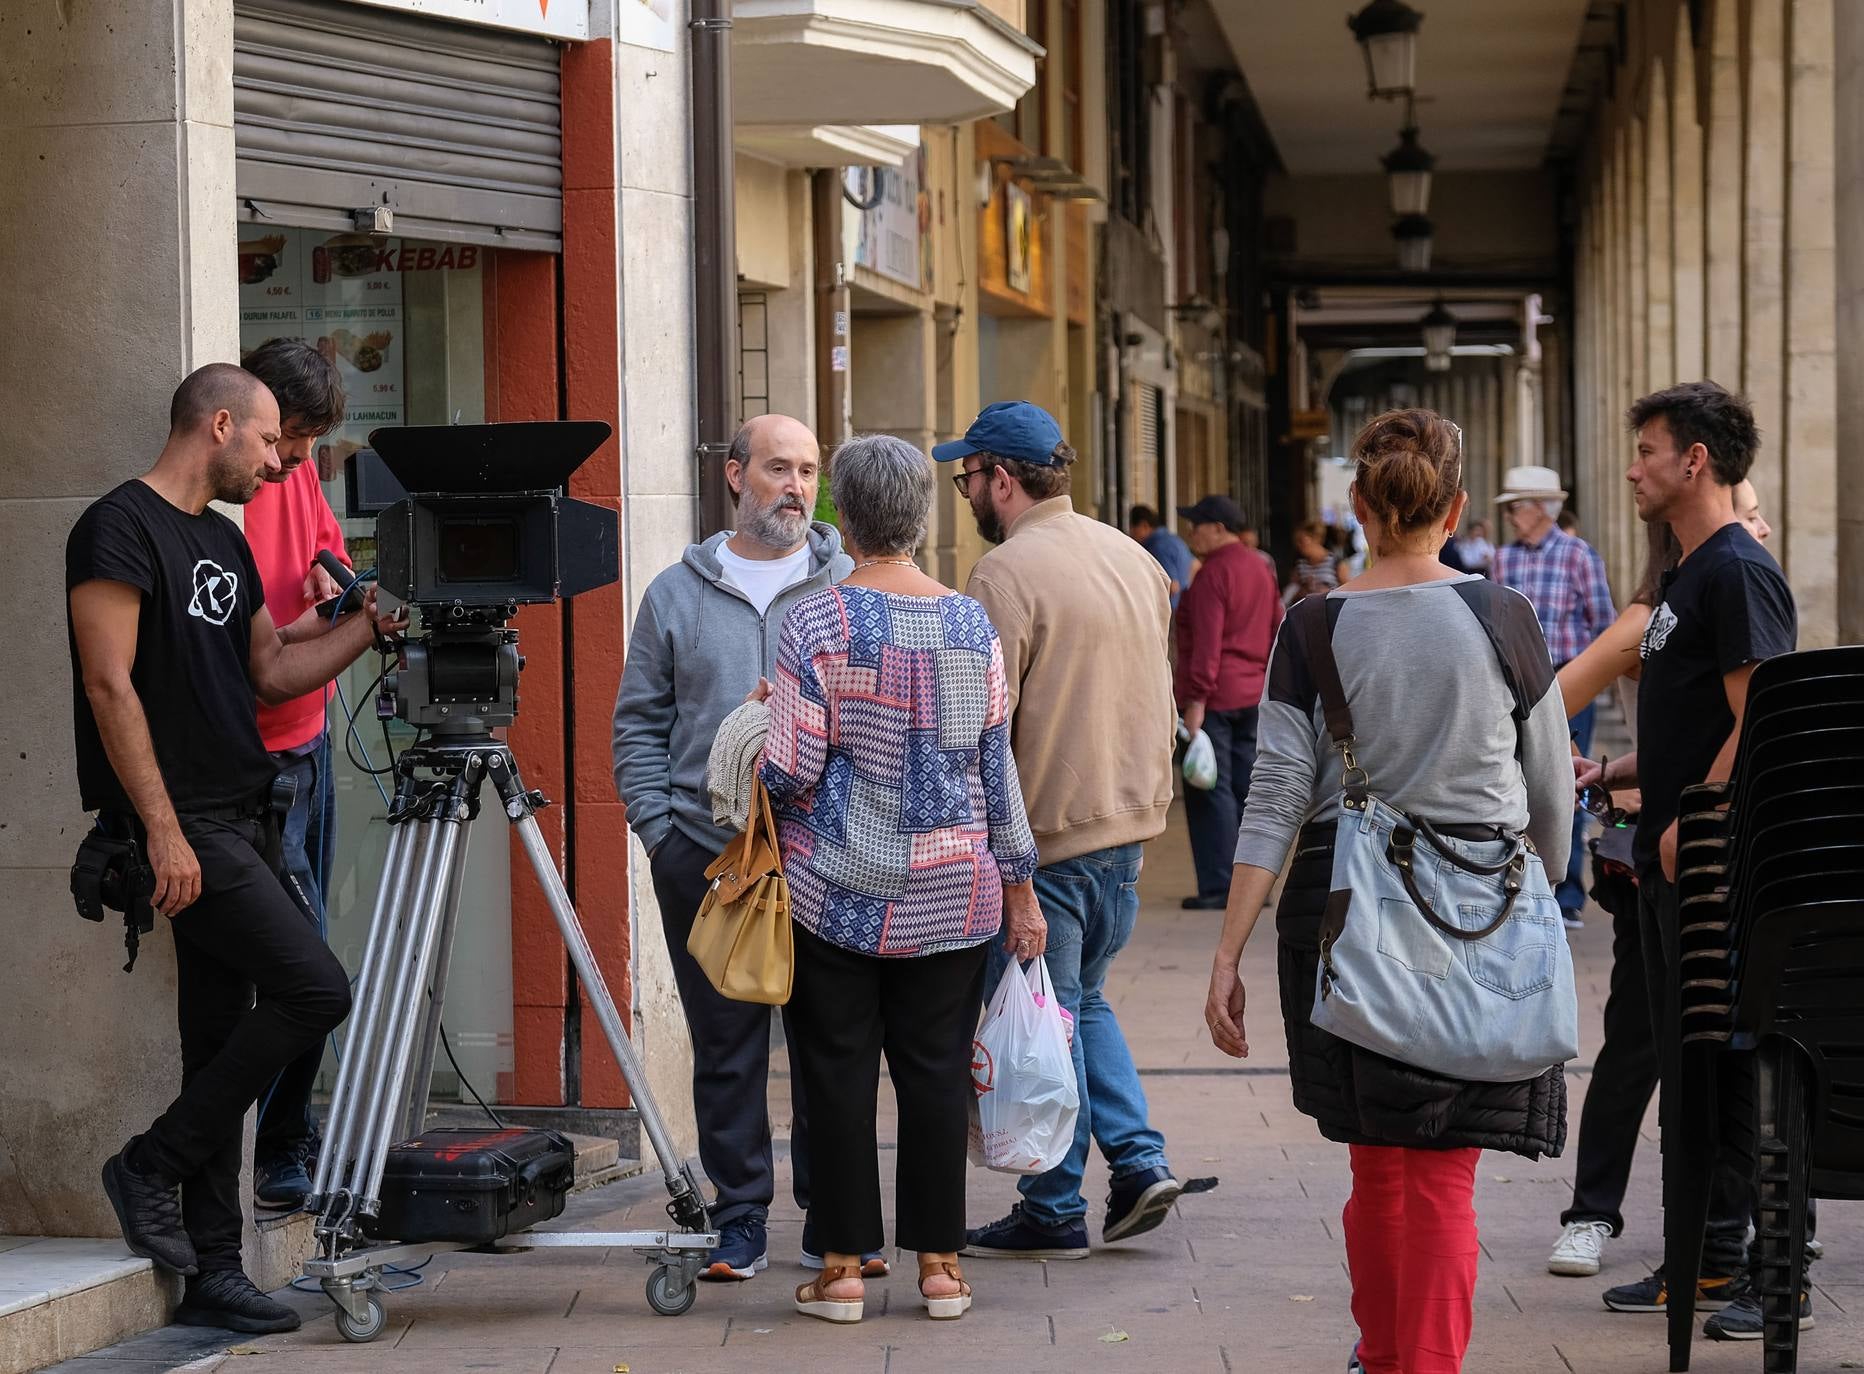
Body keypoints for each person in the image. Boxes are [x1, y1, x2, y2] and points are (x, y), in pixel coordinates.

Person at [1204, 408, 1573, 1374]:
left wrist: (1227, 950)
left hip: (1340, 913)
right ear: (1455, 507)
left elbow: (1276, 795)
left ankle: (1382, 1354)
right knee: (1446, 1179)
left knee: (1377, 1164)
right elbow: (1548, 790)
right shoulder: (1504, 617)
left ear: (1359, 506)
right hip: (1477, 910)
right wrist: (1542, 889)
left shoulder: (1314, 625)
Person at [70, 364, 397, 1332]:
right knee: (316, 987)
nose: (276, 462)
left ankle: (213, 1269)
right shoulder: (116, 528)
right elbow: (109, 687)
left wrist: (367, 627)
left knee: (215, 1042)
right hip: (184, 829)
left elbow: (269, 667)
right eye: (265, 443)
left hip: (244, 813)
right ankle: (149, 1165)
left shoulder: (223, 538)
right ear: (219, 425)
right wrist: (163, 831)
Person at [757, 435, 1045, 1324]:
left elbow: (791, 770)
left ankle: (843, 1268)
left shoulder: (816, 622)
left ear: (843, 513)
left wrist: (762, 724)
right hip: (952, 892)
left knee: (834, 1075)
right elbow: (997, 768)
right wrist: (1019, 885)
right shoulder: (968, 623)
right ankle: (942, 1270)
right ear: (922, 517)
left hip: (833, 890)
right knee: (931, 1075)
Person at [936, 400, 1187, 1259]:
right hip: (1128, 829)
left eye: (967, 476)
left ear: (1001, 479)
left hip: (1047, 834)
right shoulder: (1133, 556)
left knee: (1048, 1016)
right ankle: (1140, 1161)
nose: (964, 490)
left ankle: (1052, 1207)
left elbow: (978, 727)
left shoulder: (1005, 575)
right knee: (1080, 1005)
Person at [613, 413, 858, 1283]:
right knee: (727, 1045)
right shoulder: (676, 593)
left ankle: (836, 1219)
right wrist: (659, 833)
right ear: (734, 475)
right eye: (778, 469)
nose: (796, 487)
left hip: (826, 859)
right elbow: (638, 720)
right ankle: (741, 1217)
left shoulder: (847, 584)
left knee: (831, 1044)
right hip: (707, 858)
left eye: (809, 471)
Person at [1578, 382, 1800, 1338]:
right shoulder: (1688, 573)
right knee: (1689, 1061)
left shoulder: (1737, 573)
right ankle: (1705, 1259)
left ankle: (1757, 1269)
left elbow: (1761, 721)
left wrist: (1690, 816)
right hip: (1673, 852)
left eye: (1647, 450)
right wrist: (1625, 770)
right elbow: (1702, 713)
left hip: (1708, 859)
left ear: (1694, 461)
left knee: (1727, 1062)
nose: (1634, 467)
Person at [237, 339, 352, 1212]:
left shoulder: (299, 475)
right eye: (297, 438)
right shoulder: (237, 490)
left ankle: (288, 1132)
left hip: (313, 743)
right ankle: (281, 1144)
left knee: (313, 952)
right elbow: (266, 655)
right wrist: (334, 621)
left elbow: (328, 562)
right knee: (308, 964)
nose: (301, 458)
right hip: (259, 757)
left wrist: (332, 583)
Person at [1544, 520, 1672, 1280]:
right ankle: (1592, 1212)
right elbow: (1550, 698)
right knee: (1636, 1040)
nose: (1759, 525)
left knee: (1744, 1051)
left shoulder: (1746, 587)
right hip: (1658, 861)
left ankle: (1758, 1220)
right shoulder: (1657, 613)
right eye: (1745, 509)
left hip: (1737, 856)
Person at [1491, 463, 1616, 929]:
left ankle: (1566, 896)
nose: (1509, 516)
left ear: (1543, 509)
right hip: (1515, 685)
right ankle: (1524, 886)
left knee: (1567, 785)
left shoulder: (1579, 556)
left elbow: (1605, 625)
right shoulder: (1503, 561)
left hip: (1569, 684)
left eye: (1516, 507)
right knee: (1514, 782)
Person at [1173, 494, 1283, 910]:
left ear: (1218, 528)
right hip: (1253, 694)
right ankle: (1254, 886)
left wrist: (1196, 698)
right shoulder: (1261, 566)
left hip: (1216, 697)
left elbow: (1207, 644)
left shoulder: (1213, 574)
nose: (1190, 533)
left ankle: (1220, 884)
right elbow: (1277, 628)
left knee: (1208, 789)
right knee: (1246, 791)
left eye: (1196, 525)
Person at [1128, 504, 1192, 610]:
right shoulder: (1174, 540)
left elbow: (1172, 586)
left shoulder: (1158, 547)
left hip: (1170, 612)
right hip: (1183, 607)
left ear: (1144, 525)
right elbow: (1195, 566)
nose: (1131, 534)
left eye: (1133, 529)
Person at [1286, 520, 1347, 602]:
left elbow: (1347, 589)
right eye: (1297, 542)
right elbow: (1292, 591)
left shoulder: (1335, 562)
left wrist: (1328, 592)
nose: (1299, 546)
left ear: (1316, 539)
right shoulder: (1300, 565)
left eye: (1302, 541)